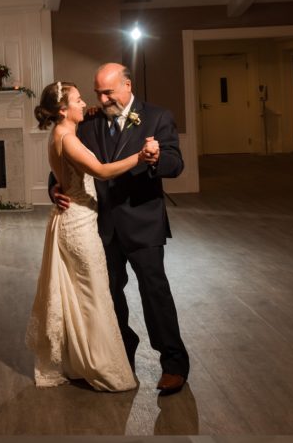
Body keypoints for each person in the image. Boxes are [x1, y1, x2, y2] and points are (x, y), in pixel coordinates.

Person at [52, 64, 188, 396]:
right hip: (101, 225)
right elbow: (70, 162)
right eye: (97, 91)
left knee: (155, 293)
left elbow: (176, 164)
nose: (101, 98)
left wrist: (156, 159)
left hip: (143, 224)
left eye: (108, 92)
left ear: (127, 85)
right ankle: (122, 353)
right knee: (109, 295)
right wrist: (54, 189)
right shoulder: (91, 121)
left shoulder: (157, 117)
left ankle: (174, 364)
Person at [28, 82, 159, 392]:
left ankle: (80, 362)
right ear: (63, 109)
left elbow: (69, 170)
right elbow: (101, 171)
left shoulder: (61, 132)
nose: (84, 102)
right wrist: (139, 157)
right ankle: (102, 367)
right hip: (80, 224)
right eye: (77, 100)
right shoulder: (68, 138)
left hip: (74, 218)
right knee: (94, 296)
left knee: (81, 296)